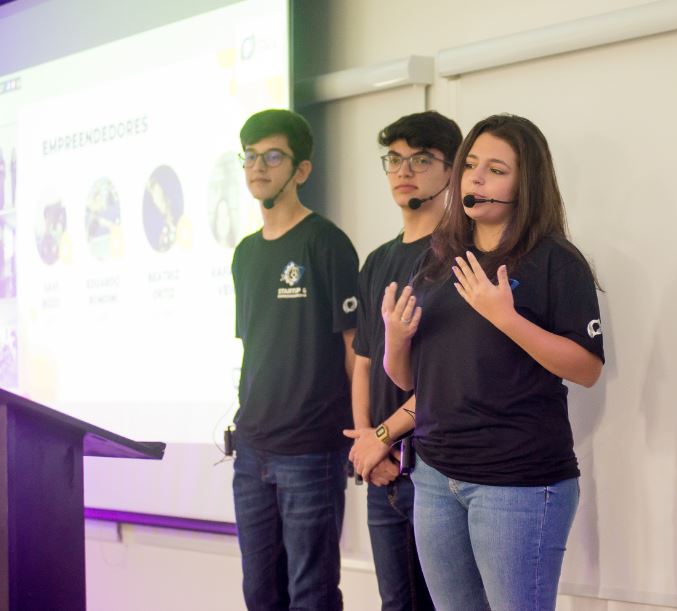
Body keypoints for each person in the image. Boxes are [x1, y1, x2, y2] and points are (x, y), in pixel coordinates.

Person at [378, 114, 605, 611]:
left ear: (527, 184)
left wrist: (507, 319)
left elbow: (587, 369)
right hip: (436, 476)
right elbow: (413, 380)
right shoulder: (439, 259)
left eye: (495, 169)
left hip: (518, 483)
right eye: (470, 166)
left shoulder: (555, 261)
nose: (475, 179)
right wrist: (396, 339)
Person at [231, 108, 359, 610]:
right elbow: (254, 348)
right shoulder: (244, 254)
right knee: (260, 594)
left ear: (301, 170)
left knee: (311, 594)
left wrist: (360, 432)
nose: (258, 166)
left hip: (311, 448)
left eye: (273, 156)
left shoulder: (325, 243)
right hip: (252, 450)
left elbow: (355, 349)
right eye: (250, 156)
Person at [344, 111, 461, 610]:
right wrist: (368, 443)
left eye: (420, 159)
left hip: (434, 471)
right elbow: (363, 362)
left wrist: (383, 439)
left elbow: (446, 378)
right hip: (381, 469)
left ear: (451, 169)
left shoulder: (457, 255)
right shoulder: (378, 260)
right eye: (393, 159)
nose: (402, 170)